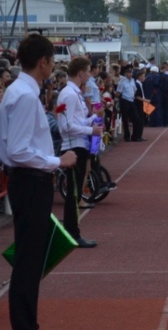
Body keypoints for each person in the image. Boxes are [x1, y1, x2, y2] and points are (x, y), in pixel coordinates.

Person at [0, 33, 78, 330]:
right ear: (43, 62)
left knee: (30, 259)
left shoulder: (17, 91)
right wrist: (58, 161)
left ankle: (26, 321)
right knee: (29, 261)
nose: (54, 66)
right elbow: (19, 150)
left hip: (27, 180)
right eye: (53, 60)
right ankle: (24, 323)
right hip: (31, 181)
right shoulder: (24, 95)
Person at [56, 57, 103, 247]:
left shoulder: (73, 93)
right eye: (88, 71)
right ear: (81, 73)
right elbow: (66, 126)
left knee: (75, 192)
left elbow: (76, 121)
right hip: (74, 146)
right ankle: (72, 233)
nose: (90, 74)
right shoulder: (69, 94)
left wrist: (92, 119)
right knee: (73, 192)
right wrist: (90, 129)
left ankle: (73, 231)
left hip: (79, 144)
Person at [115, 64, 143, 141]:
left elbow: (134, 90)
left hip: (131, 100)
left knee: (136, 119)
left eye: (131, 72)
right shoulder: (122, 82)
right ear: (125, 73)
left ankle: (135, 136)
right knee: (125, 119)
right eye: (129, 72)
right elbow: (118, 93)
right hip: (125, 100)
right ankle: (127, 136)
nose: (130, 74)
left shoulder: (133, 81)